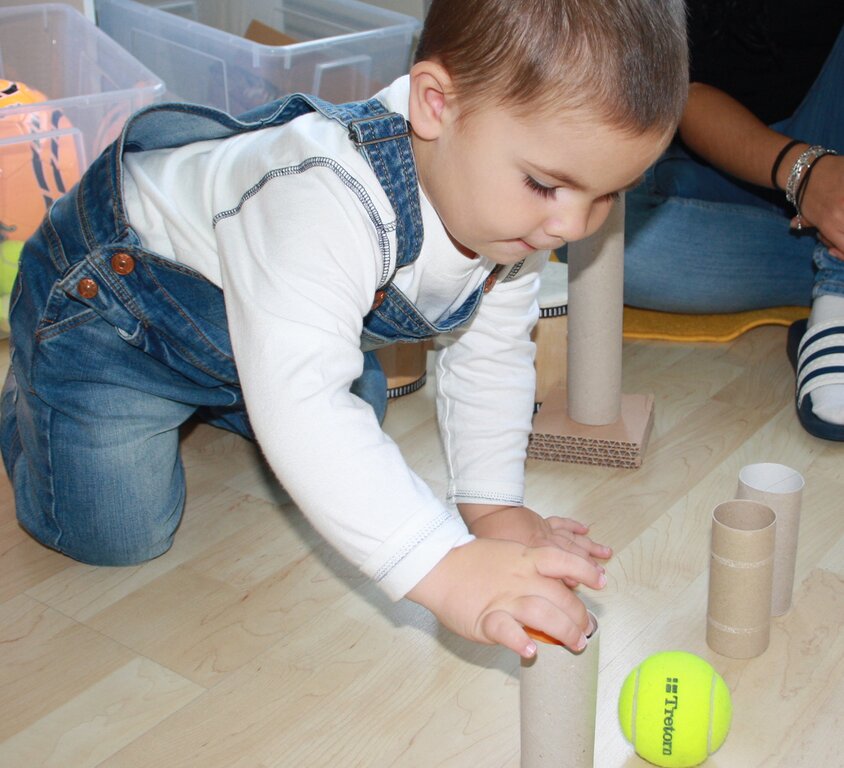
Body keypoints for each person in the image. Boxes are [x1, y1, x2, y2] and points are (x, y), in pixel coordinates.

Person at [0, 0, 687, 657]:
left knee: (357, 411)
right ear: (436, 105)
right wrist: (443, 568)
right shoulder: (325, 198)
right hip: (109, 309)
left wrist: (492, 509)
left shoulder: (522, 216)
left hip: (244, 327)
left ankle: (230, 389)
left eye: (608, 195)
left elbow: (492, 352)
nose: (571, 226)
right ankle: (32, 389)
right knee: (119, 534)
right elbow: (304, 405)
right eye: (547, 185)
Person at [623, 3, 844, 440]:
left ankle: (836, 292)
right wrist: (806, 174)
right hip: (744, 166)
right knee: (606, 242)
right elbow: (681, 99)